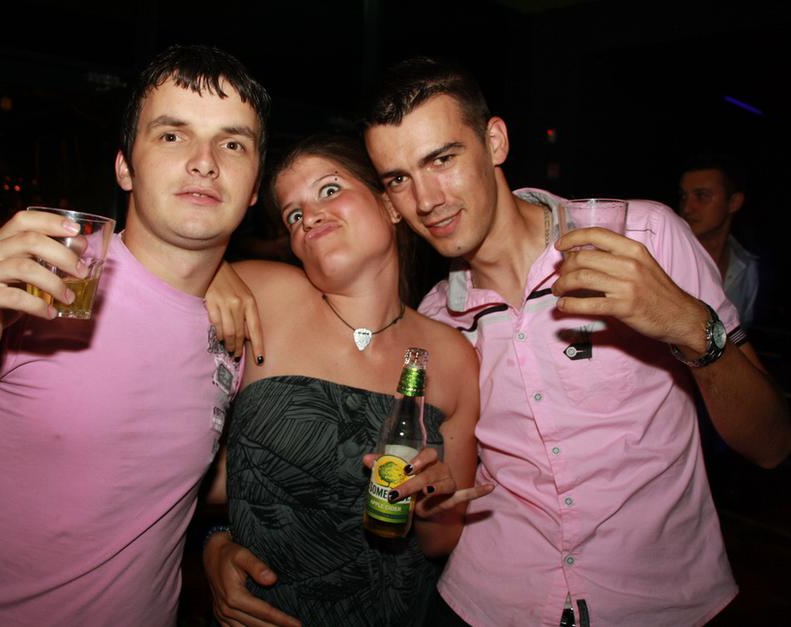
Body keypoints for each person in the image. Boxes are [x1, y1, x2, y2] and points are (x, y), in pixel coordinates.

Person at [210, 57, 791, 626]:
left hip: (657, 601)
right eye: (399, 179)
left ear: (495, 142)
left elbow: (771, 444)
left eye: (442, 159)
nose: (427, 199)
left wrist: (688, 326)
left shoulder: (642, 238)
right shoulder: (438, 322)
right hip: (489, 604)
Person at [0, 44, 269, 625]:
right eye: (172, 135)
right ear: (125, 167)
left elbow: (169, 478)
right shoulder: (44, 279)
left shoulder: (241, 318)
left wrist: (221, 536)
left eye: (233, 143)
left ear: (254, 185)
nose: (204, 162)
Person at [202, 135, 486, 626]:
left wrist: (433, 504)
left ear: (390, 205)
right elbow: (167, 464)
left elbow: (440, 542)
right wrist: (207, 269)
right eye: (293, 214)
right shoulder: (260, 295)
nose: (309, 217)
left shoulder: (453, 356)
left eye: (329, 190)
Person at [678, 152, 758, 325]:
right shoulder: (665, 257)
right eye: (684, 196)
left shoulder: (747, 268)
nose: (687, 208)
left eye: (701, 196)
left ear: (734, 202)